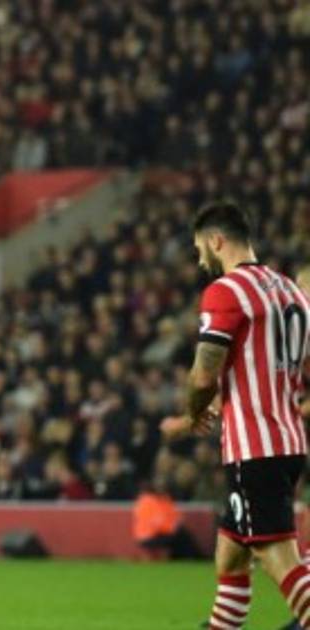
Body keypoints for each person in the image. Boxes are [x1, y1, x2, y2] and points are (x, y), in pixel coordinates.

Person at [158, 202, 310, 630]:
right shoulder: (290, 290)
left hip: (255, 448)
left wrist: (193, 410)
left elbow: (204, 373)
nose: (199, 259)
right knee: (231, 554)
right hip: (289, 441)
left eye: (199, 249)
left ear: (216, 240)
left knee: (276, 555)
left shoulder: (226, 291)